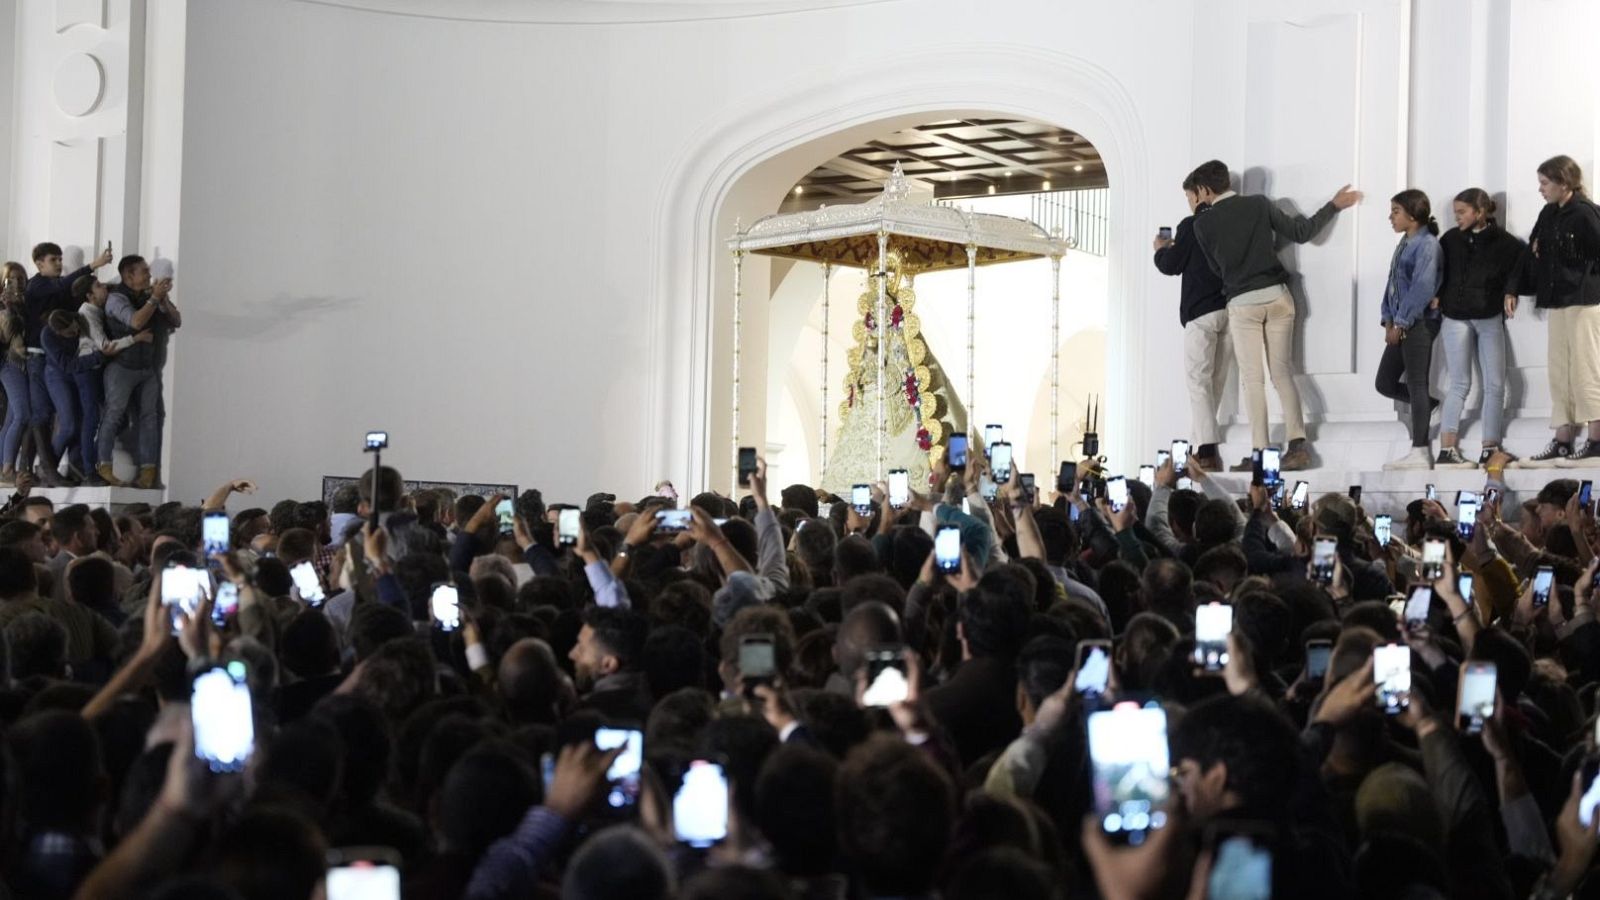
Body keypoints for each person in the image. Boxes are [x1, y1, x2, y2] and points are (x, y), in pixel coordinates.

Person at [1187, 159, 1364, 471]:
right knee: (1282, 373)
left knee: (1253, 380)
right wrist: (1333, 205)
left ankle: (1261, 454)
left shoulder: (1202, 224)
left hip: (1243, 303)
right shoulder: (1258, 204)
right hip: (1280, 296)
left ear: (1202, 189)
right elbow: (1301, 231)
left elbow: (1217, 269)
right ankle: (1298, 445)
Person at [1512, 155, 1600, 467]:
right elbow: (1531, 247)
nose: (1540, 189)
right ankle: (1563, 440)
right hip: (1558, 299)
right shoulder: (1549, 213)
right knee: (1559, 370)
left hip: (1585, 300)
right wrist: (1513, 287)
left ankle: (1596, 441)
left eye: (1545, 183)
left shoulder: (1586, 213)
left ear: (1564, 183)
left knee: (1585, 368)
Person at [1434, 188, 1525, 469]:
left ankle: (1490, 447)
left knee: (1496, 383)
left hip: (1488, 316)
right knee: (1459, 382)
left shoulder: (1507, 244)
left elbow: (1520, 268)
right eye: (1455, 212)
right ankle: (1447, 449)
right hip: (1455, 317)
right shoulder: (1450, 239)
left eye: (1462, 212)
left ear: (1480, 211)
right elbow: (1437, 269)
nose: (1457, 217)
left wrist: (1511, 291)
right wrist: (1436, 293)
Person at [1154, 175, 1230, 471]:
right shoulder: (1230, 222)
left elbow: (1171, 265)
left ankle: (1207, 451)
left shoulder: (1192, 225)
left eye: (1189, 197)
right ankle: (1199, 446)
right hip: (1230, 308)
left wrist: (1161, 249)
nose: (1189, 203)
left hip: (1200, 312)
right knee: (1216, 383)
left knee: (1199, 384)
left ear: (1201, 192)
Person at [23, 242, 111, 487]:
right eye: (54, 260)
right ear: (40, 264)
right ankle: (42, 469)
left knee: (77, 418)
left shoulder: (61, 294)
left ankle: (72, 466)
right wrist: (93, 265)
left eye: (61, 259)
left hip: (64, 365)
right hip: (42, 360)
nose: (60, 264)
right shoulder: (37, 286)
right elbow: (62, 286)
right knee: (46, 416)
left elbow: (69, 291)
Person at [1374, 189, 1444, 470]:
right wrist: (1388, 319)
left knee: (1416, 382)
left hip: (1419, 323)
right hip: (1400, 323)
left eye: (1396, 211)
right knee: (1384, 383)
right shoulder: (1405, 242)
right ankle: (1427, 406)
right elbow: (1393, 285)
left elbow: (1423, 288)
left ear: (1412, 215)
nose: (1390, 217)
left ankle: (1420, 448)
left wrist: (1401, 323)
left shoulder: (1427, 245)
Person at [98, 254, 180, 488]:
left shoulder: (149, 296)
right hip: (121, 367)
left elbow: (177, 321)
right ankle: (102, 466)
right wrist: (154, 298)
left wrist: (162, 300)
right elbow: (135, 322)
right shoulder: (116, 299)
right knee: (113, 416)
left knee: (150, 419)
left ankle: (148, 472)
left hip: (147, 369)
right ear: (128, 276)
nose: (149, 276)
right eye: (144, 271)